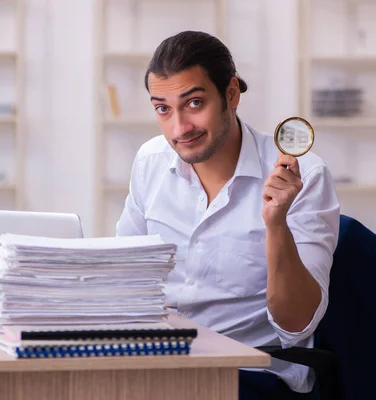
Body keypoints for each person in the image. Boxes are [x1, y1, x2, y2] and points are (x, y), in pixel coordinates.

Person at [116, 30, 340, 399]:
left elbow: (297, 325)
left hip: (249, 372)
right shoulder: (150, 161)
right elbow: (126, 279)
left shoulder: (306, 175)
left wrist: (276, 224)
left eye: (194, 103)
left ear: (231, 94)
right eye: (163, 109)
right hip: (158, 361)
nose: (179, 128)